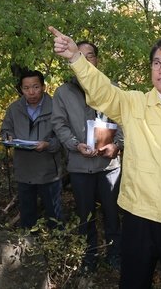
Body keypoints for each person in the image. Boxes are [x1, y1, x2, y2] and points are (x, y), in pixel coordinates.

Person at [50, 27, 161, 289]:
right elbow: (102, 92)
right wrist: (76, 58)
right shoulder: (133, 104)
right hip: (138, 215)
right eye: (156, 63)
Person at [52, 40, 124, 273]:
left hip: (109, 166)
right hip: (80, 166)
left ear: (97, 60)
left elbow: (125, 121)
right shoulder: (63, 92)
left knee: (113, 214)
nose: (85, 60)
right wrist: (75, 144)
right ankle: (88, 257)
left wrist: (117, 145)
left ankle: (115, 254)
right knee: (85, 216)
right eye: (79, 56)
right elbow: (59, 124)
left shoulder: (111, 88)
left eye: (90, 55)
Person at [0, 69, 65, 230]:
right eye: (26, 88)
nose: (31, 92)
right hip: (24, 170)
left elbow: (63, 137)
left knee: (55, 216)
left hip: (49, 170)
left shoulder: (56, 108)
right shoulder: (15, 109)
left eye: (35, 87)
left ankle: (58, 248)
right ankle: (29, 250)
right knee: (27, 215)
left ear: (44, 87)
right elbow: (6, 129)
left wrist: (48, 145)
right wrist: (8, 137)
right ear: (21, 89)